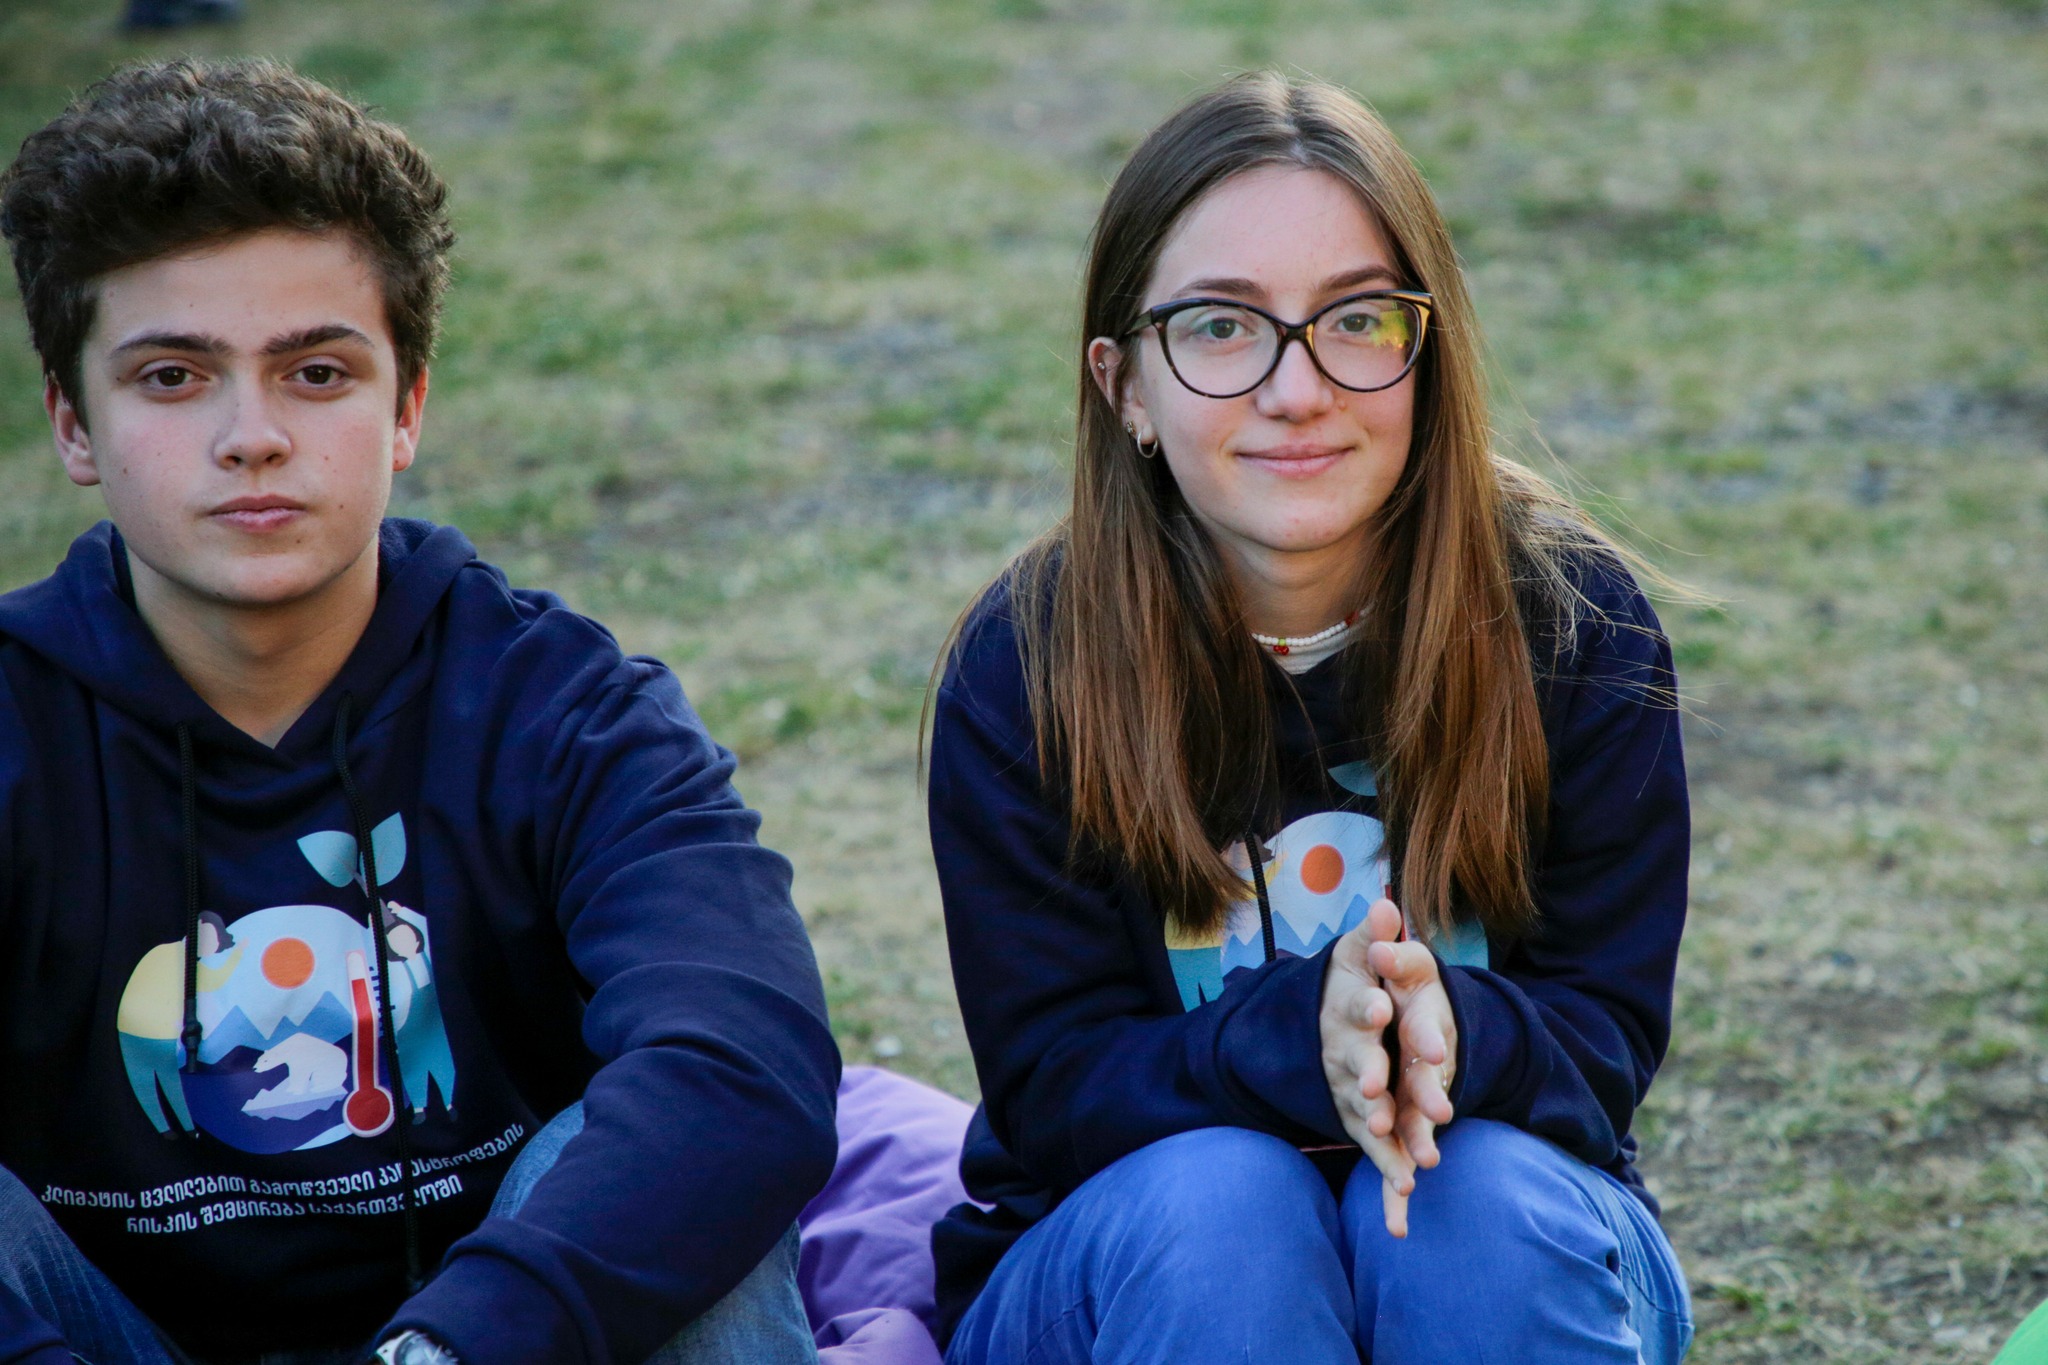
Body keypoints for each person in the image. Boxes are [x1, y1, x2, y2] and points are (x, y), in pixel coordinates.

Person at [0, 58, 839, 1365]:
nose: (251, 435)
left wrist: (446, 1349)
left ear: (407, 408)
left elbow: (744, 1062)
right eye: (172, 376)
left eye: (315, 372)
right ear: (71, 422)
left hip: (491, 1343)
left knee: (682, 1200)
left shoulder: (570, 711)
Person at [925, 73, 1695, 1365]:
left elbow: (1603, 1041)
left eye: (1357, 319)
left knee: (1467, 1202)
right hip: (1123, 1259)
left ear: (1427, 354)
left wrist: (1447, 1030)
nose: (1297, 388)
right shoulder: (1030, 665)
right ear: (1125, 386)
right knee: (1226, 1203)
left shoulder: (1572, 623)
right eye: (1222, 327)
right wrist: (1299, 1038)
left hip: (1512, 1238)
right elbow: (1055, 1088)